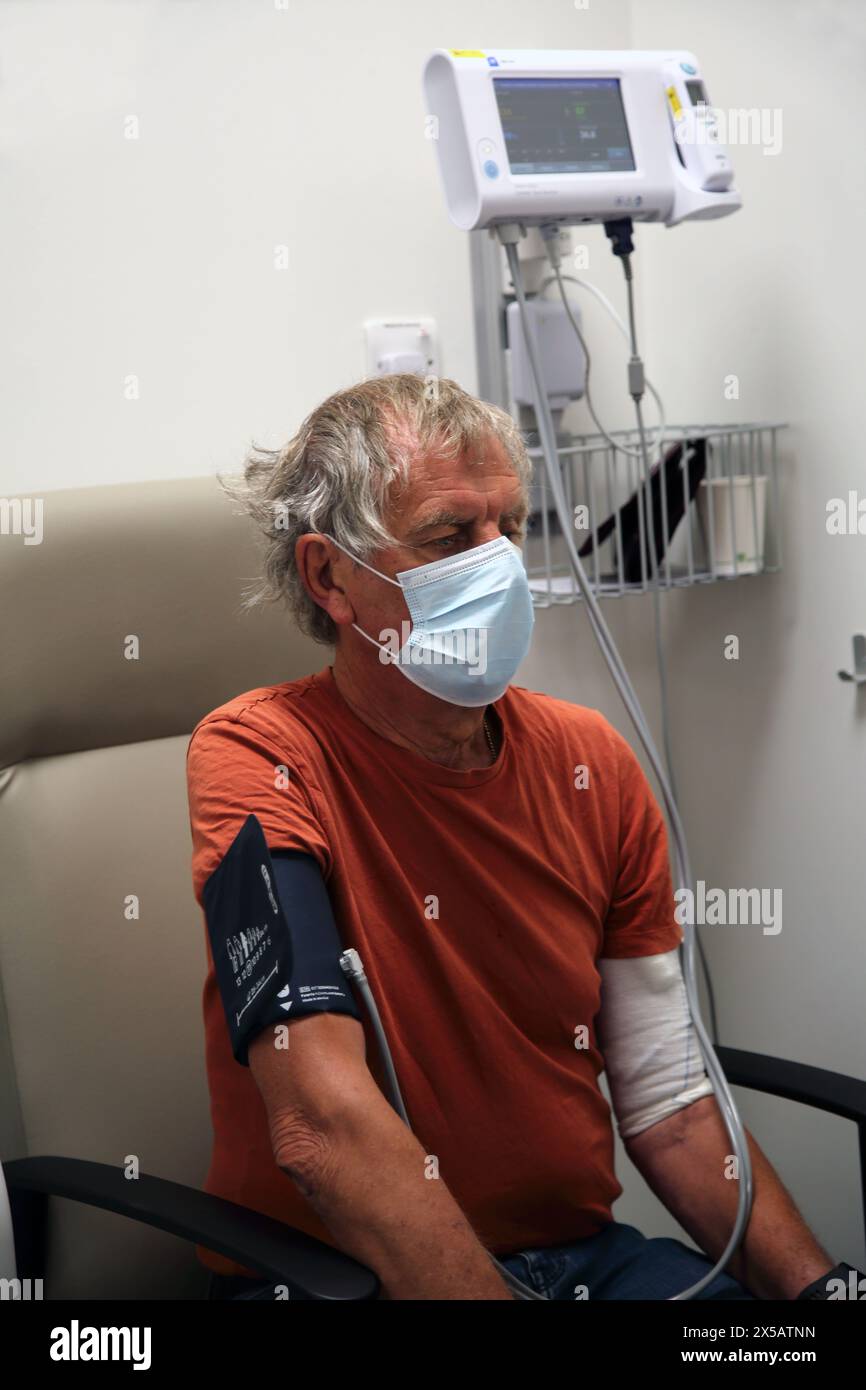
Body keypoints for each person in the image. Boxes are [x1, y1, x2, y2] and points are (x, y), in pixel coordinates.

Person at [188, 373, 834, 1302]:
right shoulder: (262, 757)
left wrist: (823, 1295)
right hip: (341, 1278)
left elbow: (670, 1102)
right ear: (330, 576)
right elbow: (319, 1122)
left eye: (512, 527)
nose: (498, 564)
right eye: (452, 536)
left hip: (583, 1263)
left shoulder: (590, 763)